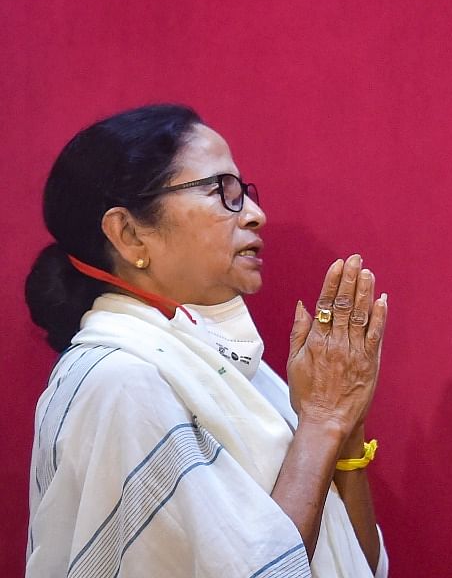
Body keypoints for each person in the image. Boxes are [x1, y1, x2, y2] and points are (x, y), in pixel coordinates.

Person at [25, 104, 390, 577]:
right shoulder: (117, 381)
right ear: (130, 234)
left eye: (245, 192)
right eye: (222, 192)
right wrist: (321, 421)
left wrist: (344, 430)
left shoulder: (230, 369)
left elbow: (358, 565)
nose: (256, 215)